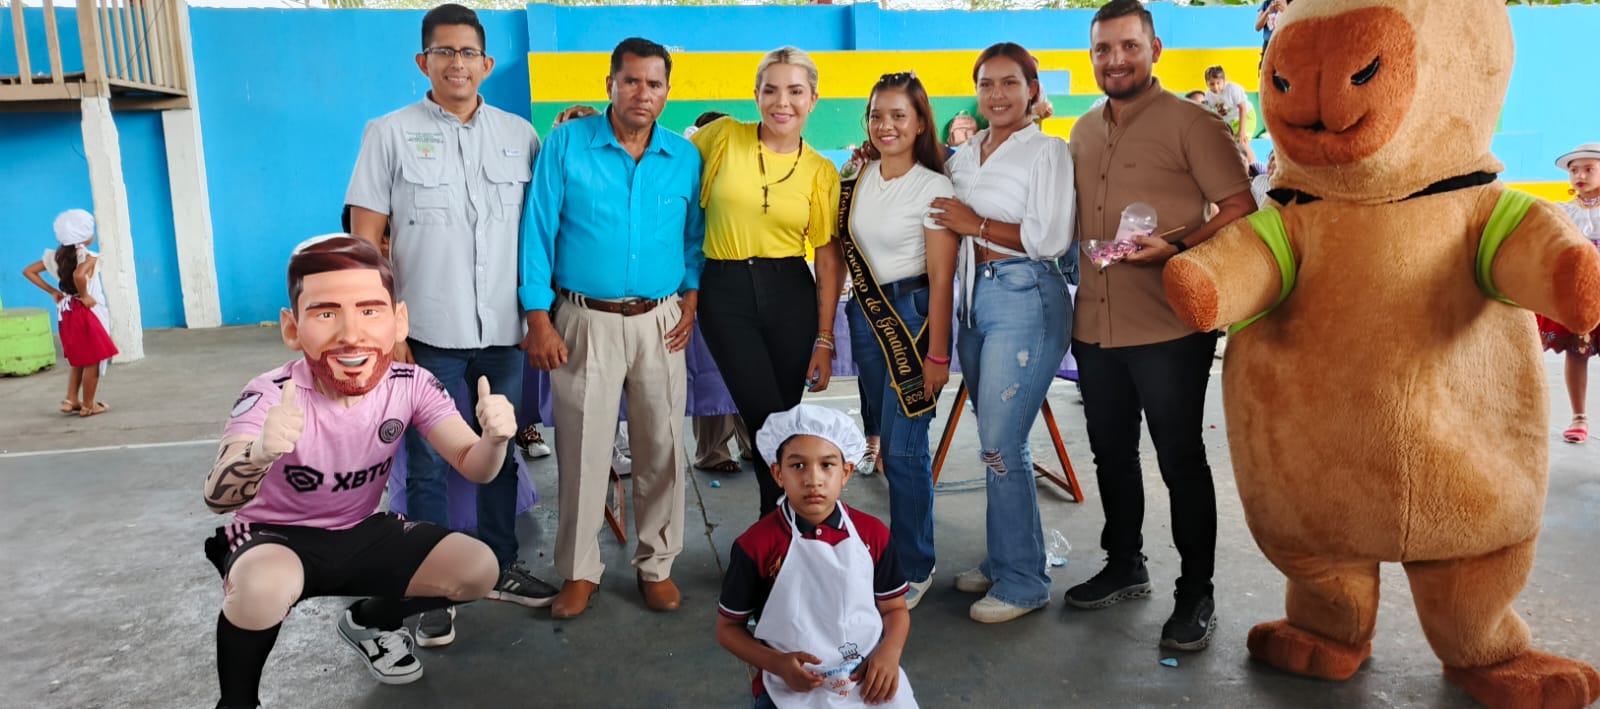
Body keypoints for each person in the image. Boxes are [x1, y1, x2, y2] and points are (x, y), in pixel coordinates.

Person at [202, 235, 514, 708]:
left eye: (370, 310)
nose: (351, 334)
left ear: (399, 320)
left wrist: (494, 440)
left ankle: (369, 621)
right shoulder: (271, 392)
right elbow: (217, 497)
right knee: (261, 589)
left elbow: (474, 465)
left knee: (478, 569)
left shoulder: (412, 384)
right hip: (275, 537)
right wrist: (260, 454)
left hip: (361, 530)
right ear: (292, 328)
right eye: (326, 314)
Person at [344, 3, 556, 646]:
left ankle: (499, 564)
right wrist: (387, 331)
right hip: (426, 334)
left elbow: (538, 232)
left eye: (468, 52)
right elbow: (365, 241)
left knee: (501, 450)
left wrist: (538, 315)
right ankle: (433, 584)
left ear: (486, 63)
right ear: (423, 61)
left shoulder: (520, 135)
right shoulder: (389, 133)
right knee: (429, 464)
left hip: (504, 332)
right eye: (444, 52)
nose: (456, 63)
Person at [1066, 0, 1256, 652]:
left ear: (1155, 49)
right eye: (1103, 49)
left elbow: (1240, 205)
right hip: (1095, 324)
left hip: (1169, 326)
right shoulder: (1081, 130)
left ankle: (1196, 592)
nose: (1115, 60)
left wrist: (1176, 247)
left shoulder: (1193, 122)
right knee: (1110, 452)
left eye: (1128, 46)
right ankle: (1125, 563)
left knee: (1180, 458)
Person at [521, 37, 706, 619]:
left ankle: (657, 565)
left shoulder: (684, 157)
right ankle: (579, 570)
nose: (642, 93)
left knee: (662, 447)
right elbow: (536, 231)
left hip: (660, 320)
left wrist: (691, 298)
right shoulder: (567, 144)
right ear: (610, 85)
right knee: (582, 447)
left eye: (654, 84)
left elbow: (693, 238)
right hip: (584, 319)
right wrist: (537, 316)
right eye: (631, 81)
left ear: (667, 92)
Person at [929, 42, 1076, 624]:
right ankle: (1007, 557)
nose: (997, 94)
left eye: (1010, 83)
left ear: (1032, 90)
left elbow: (1051, 238)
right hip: (974, 298)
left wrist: (976, 224)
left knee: (1000, 440)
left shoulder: (1047, 151)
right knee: (996, 437)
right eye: (987, 84)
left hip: (1025, 293)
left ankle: (1023, 582)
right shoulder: (965, 157)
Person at [690, 46, 845, 517]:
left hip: (790, 292)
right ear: (755, 94)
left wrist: (824, 338)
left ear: (813, 99)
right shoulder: (721, 137)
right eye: (771, 90)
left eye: (795, 91)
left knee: (783, 415)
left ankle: (781, 523)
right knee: (766, 417)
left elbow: (827, 259)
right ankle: (786, 523)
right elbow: (670, 184)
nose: (783, 102)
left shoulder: (820, 170)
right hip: (725, 290)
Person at [839, 71, 957, 610]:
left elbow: (942, 277)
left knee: (907, 450)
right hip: (865, 316)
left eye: (898, 116)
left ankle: (915, 565)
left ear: (920, 123)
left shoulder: (933, 186)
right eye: (876, 115)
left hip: (912, 318)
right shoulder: (858, 175)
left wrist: (938, 353)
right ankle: (902, 553)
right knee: (888, 443)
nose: (885, 125)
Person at [715, 404, 915, 708]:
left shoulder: (872, 534)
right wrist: (778, 664)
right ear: (778, 474)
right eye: (798, 466)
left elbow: (895, 609)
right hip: (788, 682)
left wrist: (889, 652)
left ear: (846, 472)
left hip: (867, 675)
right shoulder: (755, 545)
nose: (813, 479)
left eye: (827, 465)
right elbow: (728, 629)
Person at [22, 209, 117, 417]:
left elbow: (28, 271)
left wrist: (53, 291)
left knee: (79, 358)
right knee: (93, 359)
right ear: (85, 235)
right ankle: (89, 405)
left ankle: (71, 399)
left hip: (68, 312)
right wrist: (85, 295)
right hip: (88, 312)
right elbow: (79, 275)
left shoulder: (57, 258)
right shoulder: (89, 257)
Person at [1540, 143, 1600, 443]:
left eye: (1589, 169)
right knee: (1578, 350)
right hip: (1581, 290)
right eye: (1574, 170)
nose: (1580, 176)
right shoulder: (1562, 211)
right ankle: (1579, 417)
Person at [1203, 66, 1257, 163]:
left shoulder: (1232, 89)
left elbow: (1242, 108)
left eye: (1218, 83)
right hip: (1230, 121)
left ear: (1224, 80)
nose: (1215, 87)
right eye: (1212, 84)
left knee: (1242, 142)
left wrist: (1242, 131)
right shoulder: (1208, 96)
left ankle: (1254, 166)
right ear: (1206, 83)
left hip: (1245, 116)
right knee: (1229, 145)